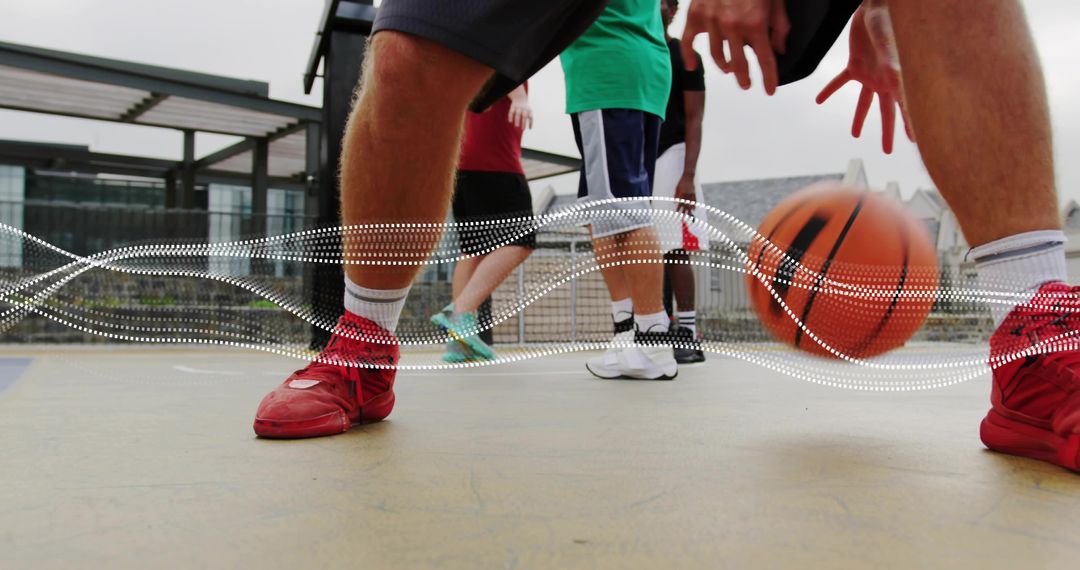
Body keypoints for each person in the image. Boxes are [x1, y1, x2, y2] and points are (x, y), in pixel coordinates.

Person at [252, 0, 1080, 476]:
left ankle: (1039, 345)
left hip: (623, 79)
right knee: (408, 50)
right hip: (622, 78)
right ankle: (362, 344)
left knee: (617, 211)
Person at [561, 0, 678, 381]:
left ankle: (651, 341)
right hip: (639, 68)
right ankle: (629, 334)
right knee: (605, 211)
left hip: (606, 68)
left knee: (624, 212)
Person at [431, 84, 537, 363]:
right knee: (522, 241)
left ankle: (458, 345)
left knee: (473, 250)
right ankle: (461, 314)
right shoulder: (513, 46)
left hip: (465, 162)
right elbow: (499, 66)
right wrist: (520, 96)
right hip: (495, 163)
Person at [655, 0, 709, 364]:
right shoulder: (636, 51)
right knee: (647, 251)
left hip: (672, 157)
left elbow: (694, 117)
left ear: (673, 10)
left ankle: (687, 331)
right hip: (639, 158)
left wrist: (687, 175)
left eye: (664, 1)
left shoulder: (685, 55)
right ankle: (656, 327)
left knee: (675, 247)